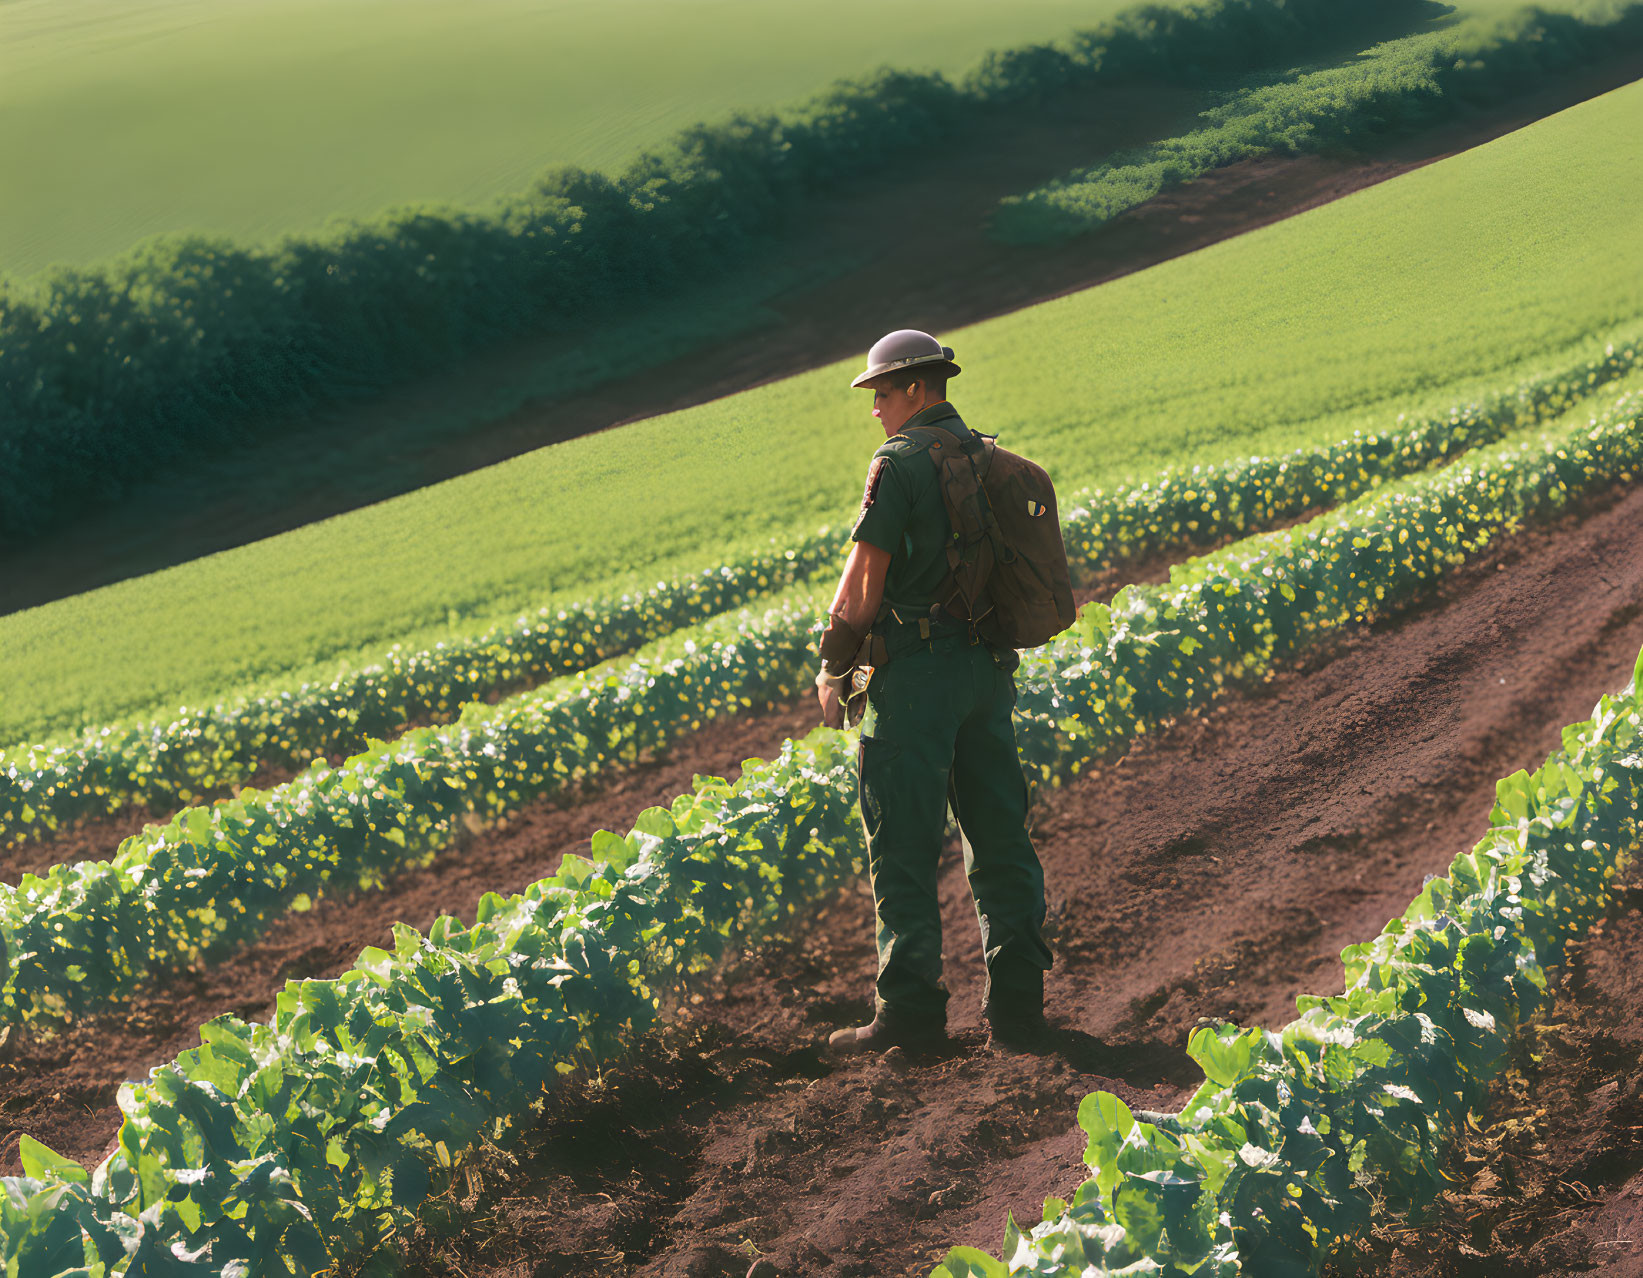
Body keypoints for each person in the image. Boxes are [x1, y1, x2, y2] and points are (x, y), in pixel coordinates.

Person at [816, 328, 1054, 1054]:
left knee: (903, 848)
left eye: (882, 393)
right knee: (999, 838)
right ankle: (1017, 1009)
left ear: (917, 389)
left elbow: (863, 584)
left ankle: (911, 1013)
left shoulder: (898, 462)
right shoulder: (989, 457)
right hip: (984, 672)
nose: (876, 409)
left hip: (913, 684)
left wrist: (834, 670)